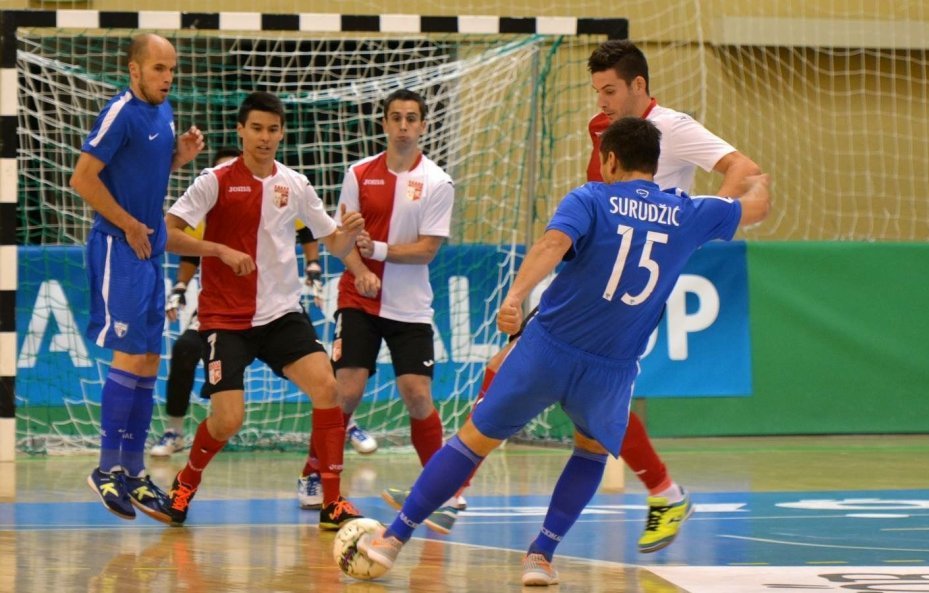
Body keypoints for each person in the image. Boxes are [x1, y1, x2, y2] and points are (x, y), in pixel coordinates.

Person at [382, 39, 763, 550]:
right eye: (595, 90)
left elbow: (744, 168)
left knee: (575, 391)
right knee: (555, 385)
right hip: (593, 272)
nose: (600, 100)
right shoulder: (601, 130)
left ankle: (459, 495)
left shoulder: (673, 127)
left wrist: (695, 219)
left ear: (639, 86)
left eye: (609, 90)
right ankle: (660, 492)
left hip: (630, 287)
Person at [159, 91, 366, 531]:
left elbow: (333, 243)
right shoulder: (213, 180)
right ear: (240, 131)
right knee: (228, 420)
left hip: (280, 315)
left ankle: (332, 501)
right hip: (225, 320)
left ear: (282, 133)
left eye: (273, 129)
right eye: (256, 128)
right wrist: (217, 249)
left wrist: (351, 238)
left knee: (328, 389)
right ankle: (185, 482)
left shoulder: (295, 184)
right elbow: (168, 234)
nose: (265, 137)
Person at [70, 32, 204, 522]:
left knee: (149, 358)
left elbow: (146, 169)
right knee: (129, 354)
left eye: (172, 69)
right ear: (134, 69)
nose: (167, 78)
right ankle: (106, 468)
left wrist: (178, 158)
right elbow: (82, 178)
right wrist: (127, 224)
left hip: (149, 251)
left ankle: (132, 472)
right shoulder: (120, 111)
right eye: (158, 69)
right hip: (117, 247)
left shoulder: (163, 113)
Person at [323, 89, 456, 528]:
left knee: (418, 395)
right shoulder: (358, 173)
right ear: (384, 124)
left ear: (422, 126)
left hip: (410, 306)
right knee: (345, 392)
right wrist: (360, 268)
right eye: (395, 117)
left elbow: (426, 251)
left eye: (411, 118)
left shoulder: (438, 182)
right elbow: (341, 240)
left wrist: (376, 250)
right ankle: (317, 477)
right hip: (358, 297)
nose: (403, 125)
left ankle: (440, 489)